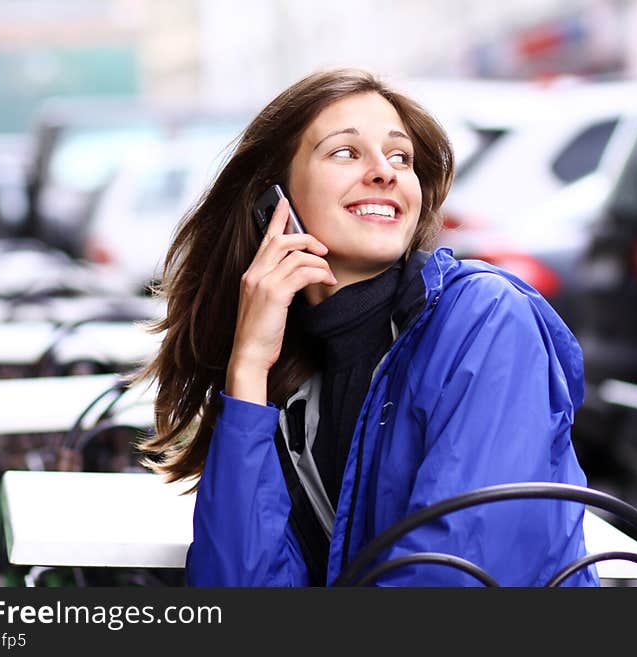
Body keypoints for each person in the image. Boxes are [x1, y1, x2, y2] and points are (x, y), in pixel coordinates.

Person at [138, 68, 599, 587]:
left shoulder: (485, 319)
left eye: (400, 157)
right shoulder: (294, 380)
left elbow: (456, 579)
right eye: (345, 153)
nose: (385, 172)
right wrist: (247, 369)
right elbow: (234, 586)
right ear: (274, 202)